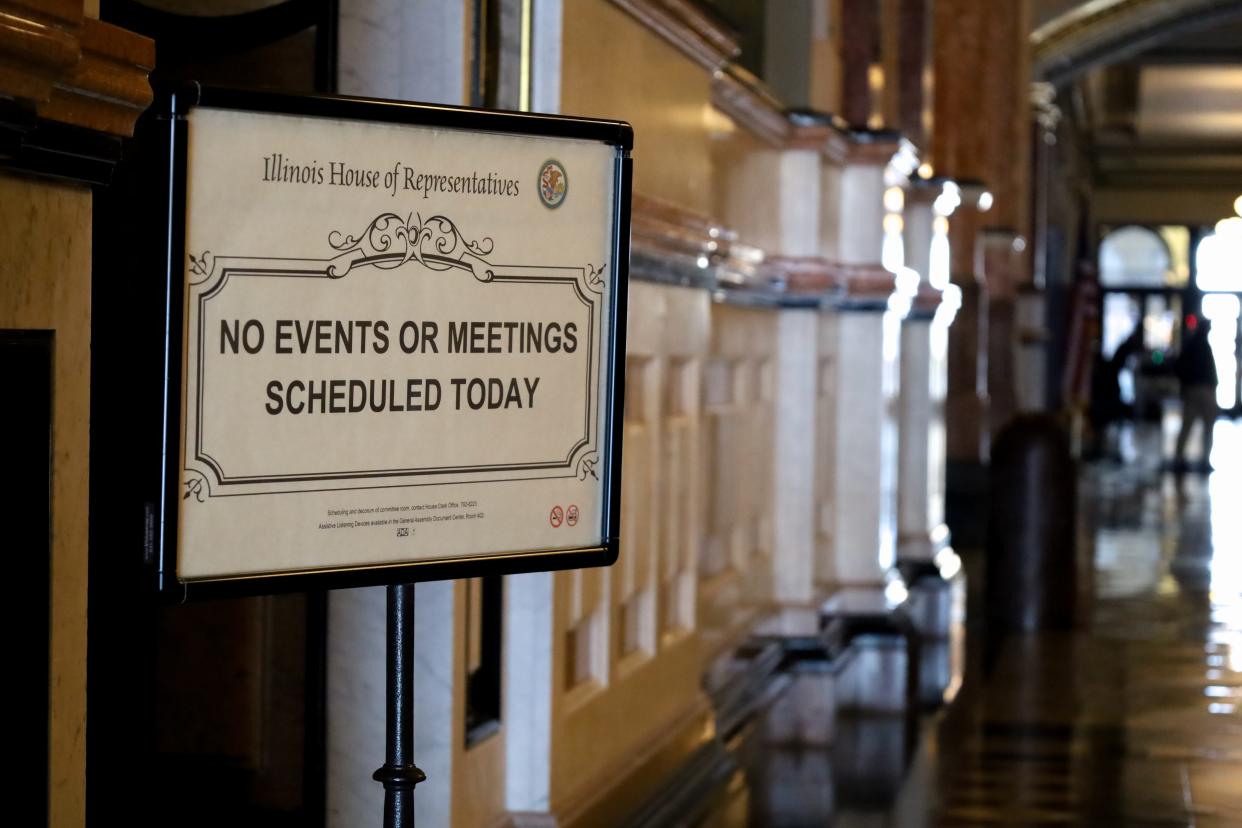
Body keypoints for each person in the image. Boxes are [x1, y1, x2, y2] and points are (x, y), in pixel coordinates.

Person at [1174, 317, 1218, 471]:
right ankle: (1186, 458)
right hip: (1199, 389)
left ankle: (1182, 458)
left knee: (1190, 425)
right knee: (1196, 425)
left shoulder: (1194, 344)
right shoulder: (1198, 345)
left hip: (1196, 390)